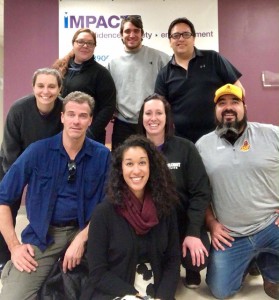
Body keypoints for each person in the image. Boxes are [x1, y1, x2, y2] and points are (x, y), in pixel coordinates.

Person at [0, 91, 111, 299]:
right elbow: (3, 198)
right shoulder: (37, 152)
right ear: (62, 117)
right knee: (12, 297)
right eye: (71, 114)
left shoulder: (103, 156)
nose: (76, 121)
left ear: (90, 120)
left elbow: (110, 203)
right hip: (45, 235)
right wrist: (14, 247)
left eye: (82, 115)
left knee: (100, 291)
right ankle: (13, 272)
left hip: (87, 231)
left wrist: (81, 239)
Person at [195, 84, 279, 299]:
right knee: (220, 290)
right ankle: (251, 260)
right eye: (222, 103)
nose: (228, 107)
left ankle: (269, 268)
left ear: (245, 106)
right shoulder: (202, 146)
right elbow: (198, 194)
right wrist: (211, 223)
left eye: (235, 102)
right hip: (232, 236)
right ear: (215, 110)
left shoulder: (271, 134)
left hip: (272, 226)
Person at [80, 135, 180, 300]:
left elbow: (173, 260)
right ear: (120, 169)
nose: (136, 170)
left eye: (142, 162)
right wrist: (135, 295)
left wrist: (163, 297)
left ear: (151, 166)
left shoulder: (165, 207)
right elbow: (98, 273)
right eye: (129, 164)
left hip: (155, 290)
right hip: (114, 291)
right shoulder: (103, 213)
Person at [138, 93, 211, 289]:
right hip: (150, 224)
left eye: (159, 113)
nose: (153, 118)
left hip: (182, 222)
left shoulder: (185, 148)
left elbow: (201, 193)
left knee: (197, 259)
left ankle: (190, 268)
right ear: (141, 117)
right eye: (148, 113)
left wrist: (193, 232)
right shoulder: (133, 149)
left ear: (167, 117)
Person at [0, 68, 64, 274]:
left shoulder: (65, 110)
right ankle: (4, 257)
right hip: (14, 166)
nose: (46, 91)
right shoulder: (19, 109)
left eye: (52, 86)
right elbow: (10, 151)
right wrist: (21, 182)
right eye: (41, 86)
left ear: (60, 88)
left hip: (51, 171)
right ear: (33, 87)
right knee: (5, 206)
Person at [155, 17, 245, 143]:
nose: (181, 38)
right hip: (182, 140)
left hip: (218, 136)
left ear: (193, 38)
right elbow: (160, 109)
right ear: (170, 41)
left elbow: (239, 91)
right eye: (175, 35)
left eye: (186, 34)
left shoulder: (213, 58)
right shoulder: (164, 74)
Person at [108, 15, 170, 150]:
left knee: (156, 163)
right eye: (127, 31)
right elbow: (108, 93)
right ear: (121, 34)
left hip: (151, 122)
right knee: (120, 165)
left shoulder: (160, 58)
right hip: (123, 125)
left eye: (136, 31)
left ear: (142, 34)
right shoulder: (113, 63)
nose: (132, 35)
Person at [52, 28, 116, 144]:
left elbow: (108, 107)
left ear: (94, 47)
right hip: (61, 135)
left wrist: (89, 133)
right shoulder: (59, 69)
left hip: (90, 138)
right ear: (73, 43)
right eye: (81, 41)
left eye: (90, 43)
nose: (85, 45)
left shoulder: (101, 74)